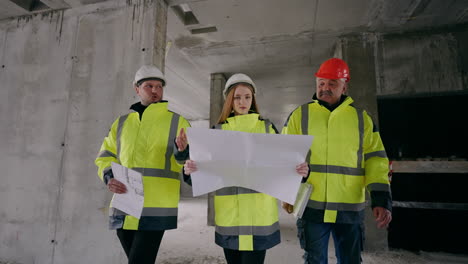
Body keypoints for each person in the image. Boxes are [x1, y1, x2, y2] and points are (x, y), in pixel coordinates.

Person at [180, 73, 309, 264]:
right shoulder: (217, 132)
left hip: (260, 218)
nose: (243, 102)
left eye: (247, 97)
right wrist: (189, 171)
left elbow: (283, 165)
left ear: (253, 99)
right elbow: (204, 175)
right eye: (237, 97)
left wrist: (301, 173)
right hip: (230, 219)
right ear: (229, 101)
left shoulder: (267, 128)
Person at [282, 58, 392, 264]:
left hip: (349, 208)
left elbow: (376, 160)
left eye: (332, 83)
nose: (325, 88)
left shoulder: (361, 119)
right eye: (321, 83)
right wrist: (285, 192)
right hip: (311, 206)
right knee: (314, 259)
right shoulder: (300, 115)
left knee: (350, 260)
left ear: (344, 86)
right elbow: (285, 157)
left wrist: (380, 199)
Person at [94, 65, 190, 264]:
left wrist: (183, 152)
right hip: (124, 205)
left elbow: (188, 162)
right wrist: (109, 177)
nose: (155, 90)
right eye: (149, 86)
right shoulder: (121, 123)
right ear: (136, 89)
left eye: (159, 86)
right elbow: (106, 155)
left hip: (156, 207)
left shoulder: (177, 122)